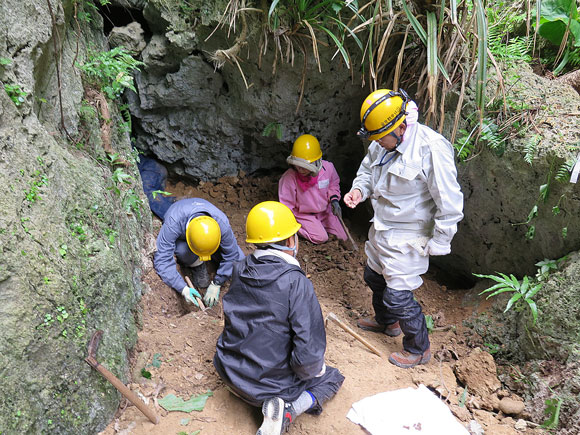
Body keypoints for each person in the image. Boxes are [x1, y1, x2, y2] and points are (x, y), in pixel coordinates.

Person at [344, 89, 464, 369]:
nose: (377, 143)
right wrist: (359, 191)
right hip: (382, 226)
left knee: (397, 296)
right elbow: (367, 171)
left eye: (380, 138)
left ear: (400, 127)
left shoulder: (430, 148)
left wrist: (439, 240)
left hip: (410, 234)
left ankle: (418, 348)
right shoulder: (381, 139)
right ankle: (387, 322)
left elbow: (449, 200)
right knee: (373, 277)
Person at [214, 201, 344, 435]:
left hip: (229, 371)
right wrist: (316, 370)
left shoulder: (240, 268)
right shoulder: (296, 283)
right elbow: (307, 357)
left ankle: (246, 391)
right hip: (268, 388)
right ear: (289, 241)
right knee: (331, 377)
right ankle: (288, 410)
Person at [154, 198, 244, 308]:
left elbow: (232, 254)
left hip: (210, 234)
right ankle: (197, 265)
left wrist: (217, 283)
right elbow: (162, 259)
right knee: (183, 251)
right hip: (183, 238)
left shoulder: (222, 223)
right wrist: (182, 288)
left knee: (240, 257)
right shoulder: (173, 223)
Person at [278, 134, 347, 244]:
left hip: (325, 212)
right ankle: (297, 228)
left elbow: (333, 185)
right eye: (297, 165)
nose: (300, 169)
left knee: (343, 237)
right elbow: (286, 205)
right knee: (321, 238)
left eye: (304, 166)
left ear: (316, 161)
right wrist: (288, 225)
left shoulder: (328, 168)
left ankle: (319, 226)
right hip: (303, 215)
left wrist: (334, 200)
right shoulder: (289, 178)